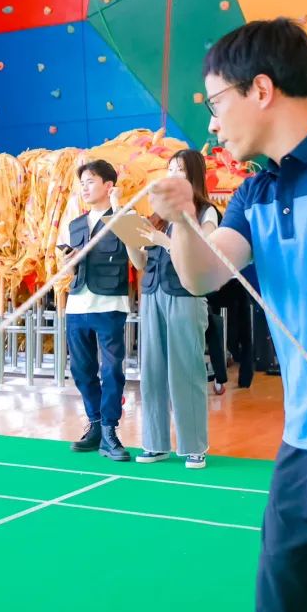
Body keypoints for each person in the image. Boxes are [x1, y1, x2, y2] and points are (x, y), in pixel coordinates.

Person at [149, 18, 307, 612]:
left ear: (261, 89)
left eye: (216, 102)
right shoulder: (257, 192)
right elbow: (201, 276)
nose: (213, 123)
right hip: (303, 449)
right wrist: (182, 219)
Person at [126, 150, 216, 469]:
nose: (173, 174)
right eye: (170, 169)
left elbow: (204, 250)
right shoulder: (159, 216)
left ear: (194, 174)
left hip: (186, 294)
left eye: (180, 169)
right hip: (152, 294)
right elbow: (141, 262)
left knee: (186, 369)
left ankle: (194, 446)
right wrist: (130, 239)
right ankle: (155, 443)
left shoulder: (205, 211)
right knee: (151, 371)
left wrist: (161, 241)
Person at [63, 160, 130, 462]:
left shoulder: (123, 218)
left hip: (110, 305)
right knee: (81, 370)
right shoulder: (75, 225)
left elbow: (134, 251)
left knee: (112, 370)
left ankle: (109, 430)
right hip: (77, 305)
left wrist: (118, 208)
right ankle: (95, 423)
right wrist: (69, 262)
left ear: (108, 185)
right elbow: (68, 268)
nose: (85, 188)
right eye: (82, 183)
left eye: (90, 181)